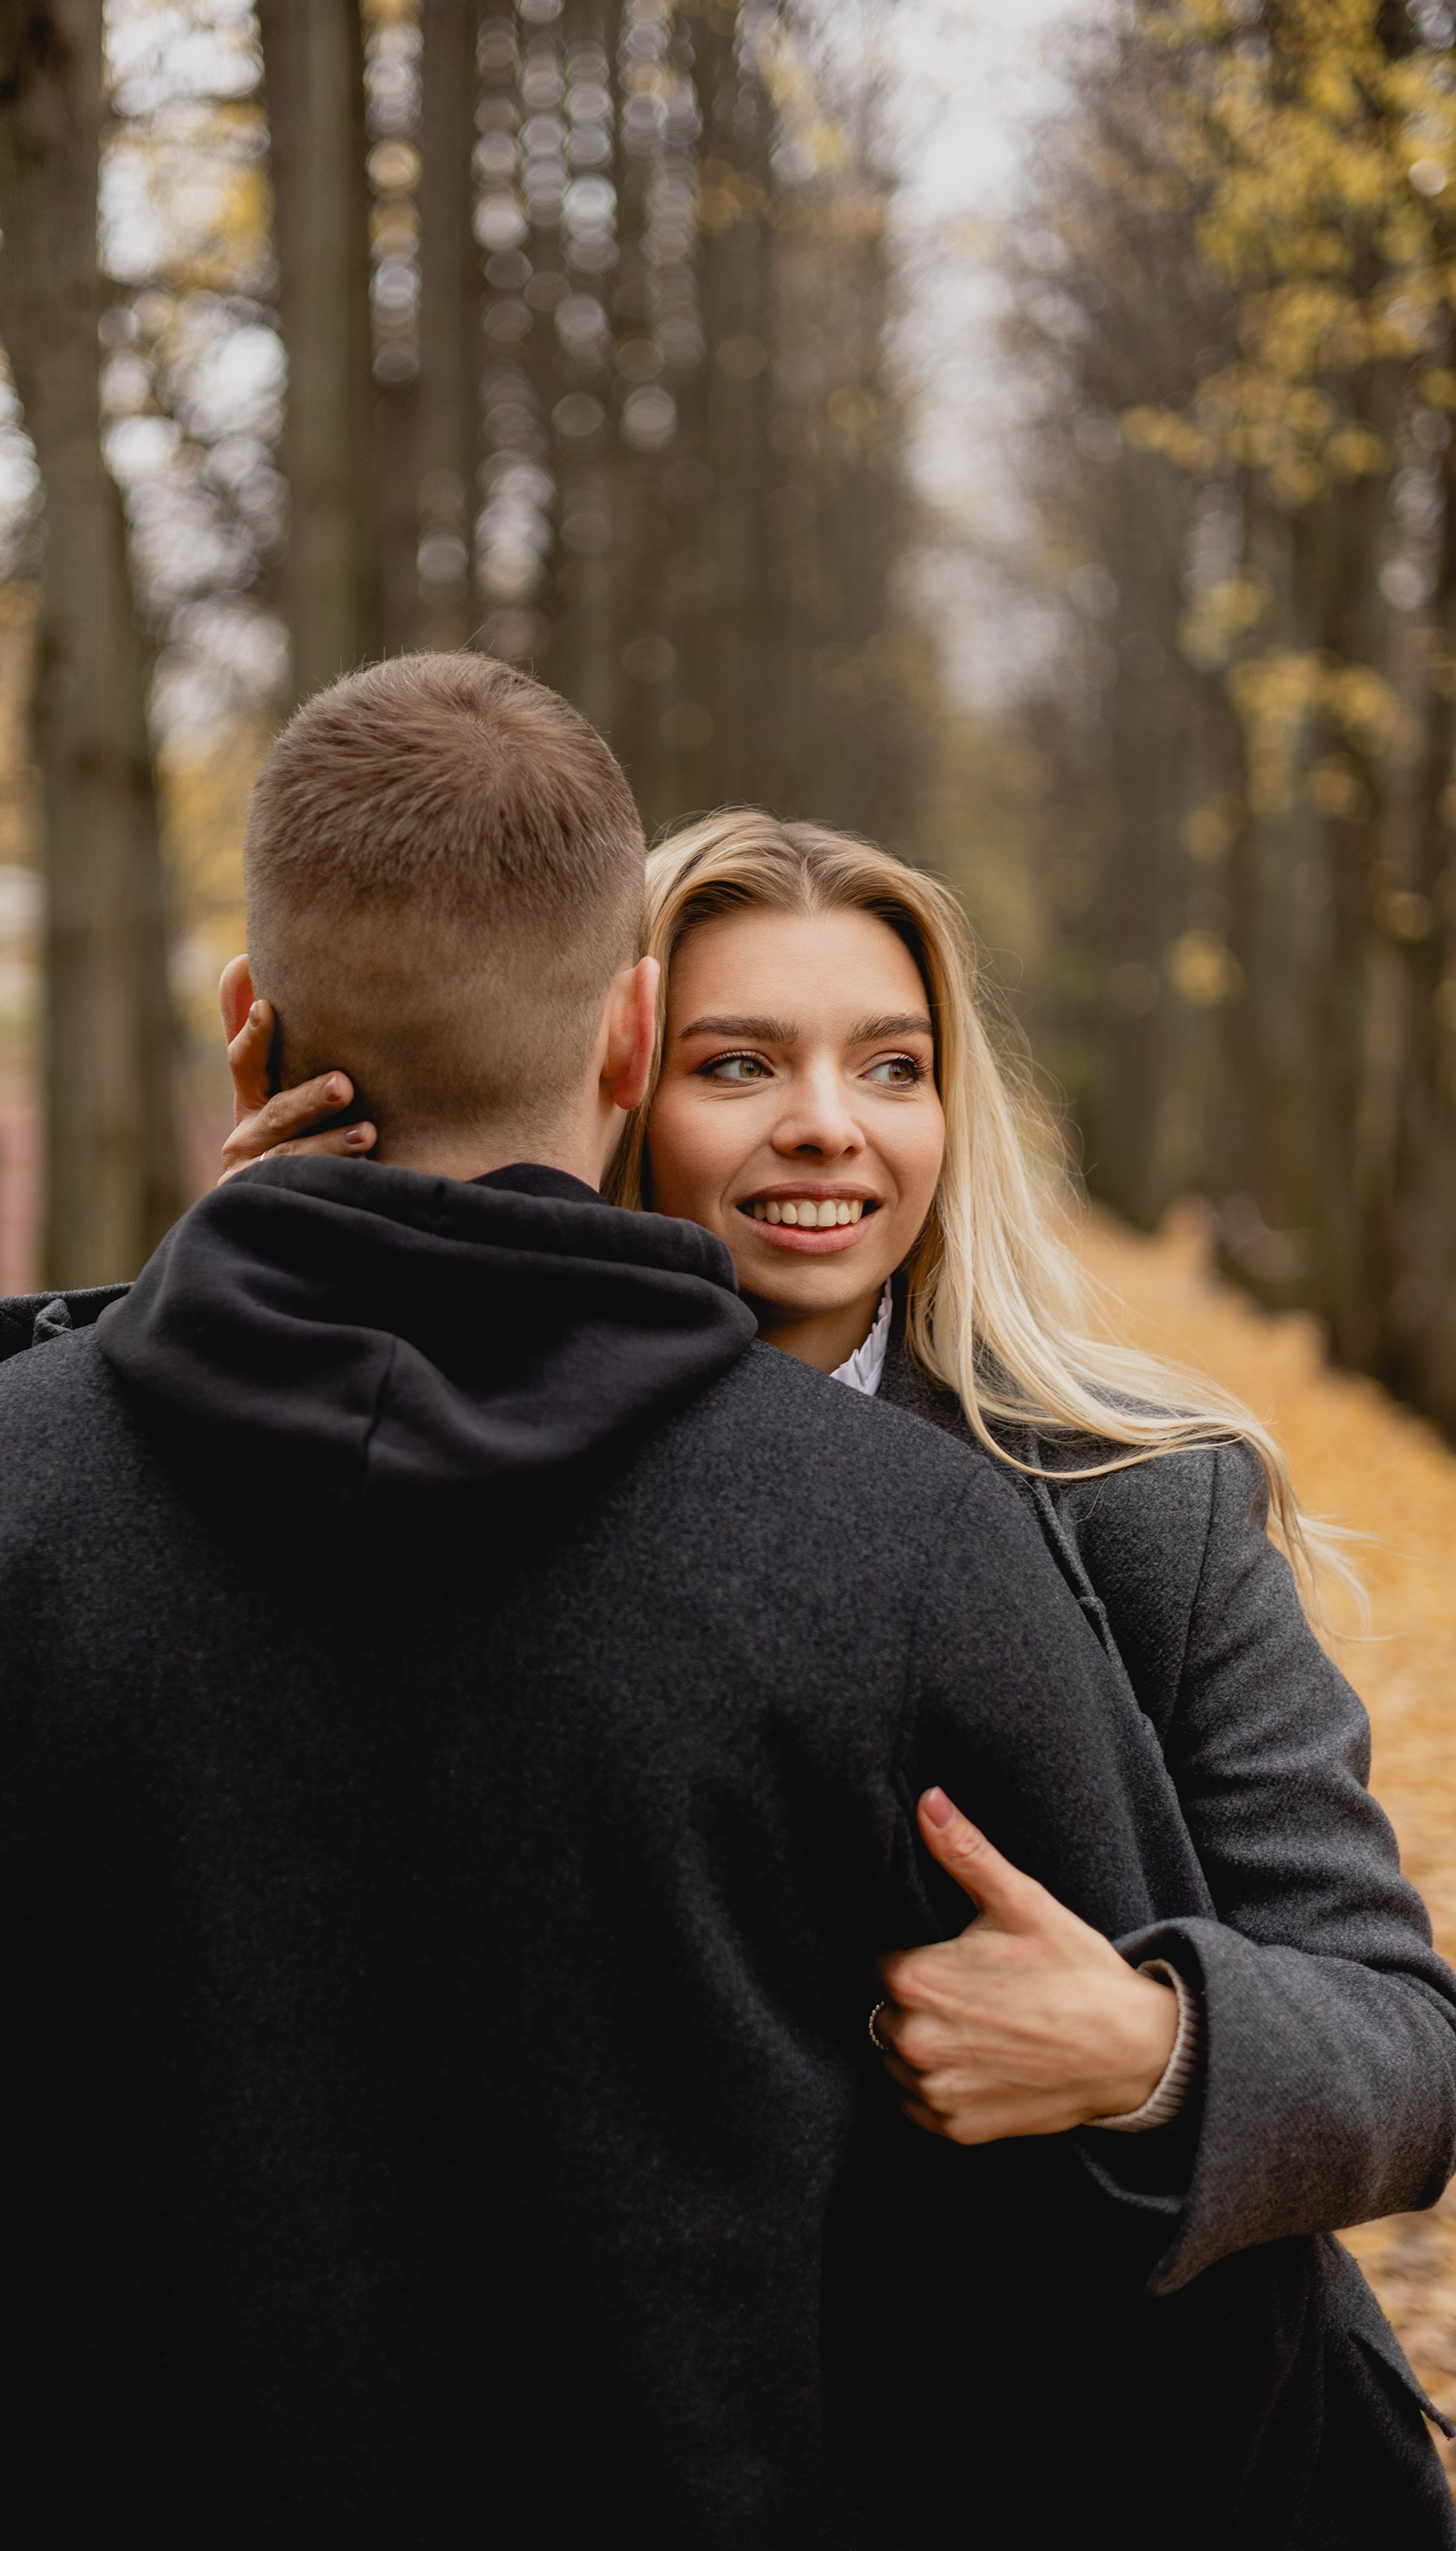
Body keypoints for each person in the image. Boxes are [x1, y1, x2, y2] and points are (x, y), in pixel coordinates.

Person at [226, 795, 1456, 2542]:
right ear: (619, 1068)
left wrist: (1151, 2046)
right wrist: (315, 1273)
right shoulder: (424, 1489)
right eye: (740, 1065)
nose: (828, 1129)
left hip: (1085, 2462)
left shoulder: (1138, 1507)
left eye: (891, 1068)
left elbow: (1406, 2043)